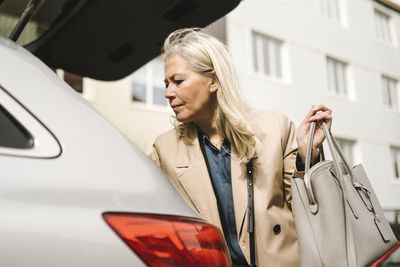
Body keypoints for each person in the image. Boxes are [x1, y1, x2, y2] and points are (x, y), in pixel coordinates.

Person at [150, 28, 332, 267]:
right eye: (166, 83)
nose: (167, 93)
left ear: (213, 81)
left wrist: (307, 154)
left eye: (178, 81)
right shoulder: (164, 149)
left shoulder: (275, 127)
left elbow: (309, 211)